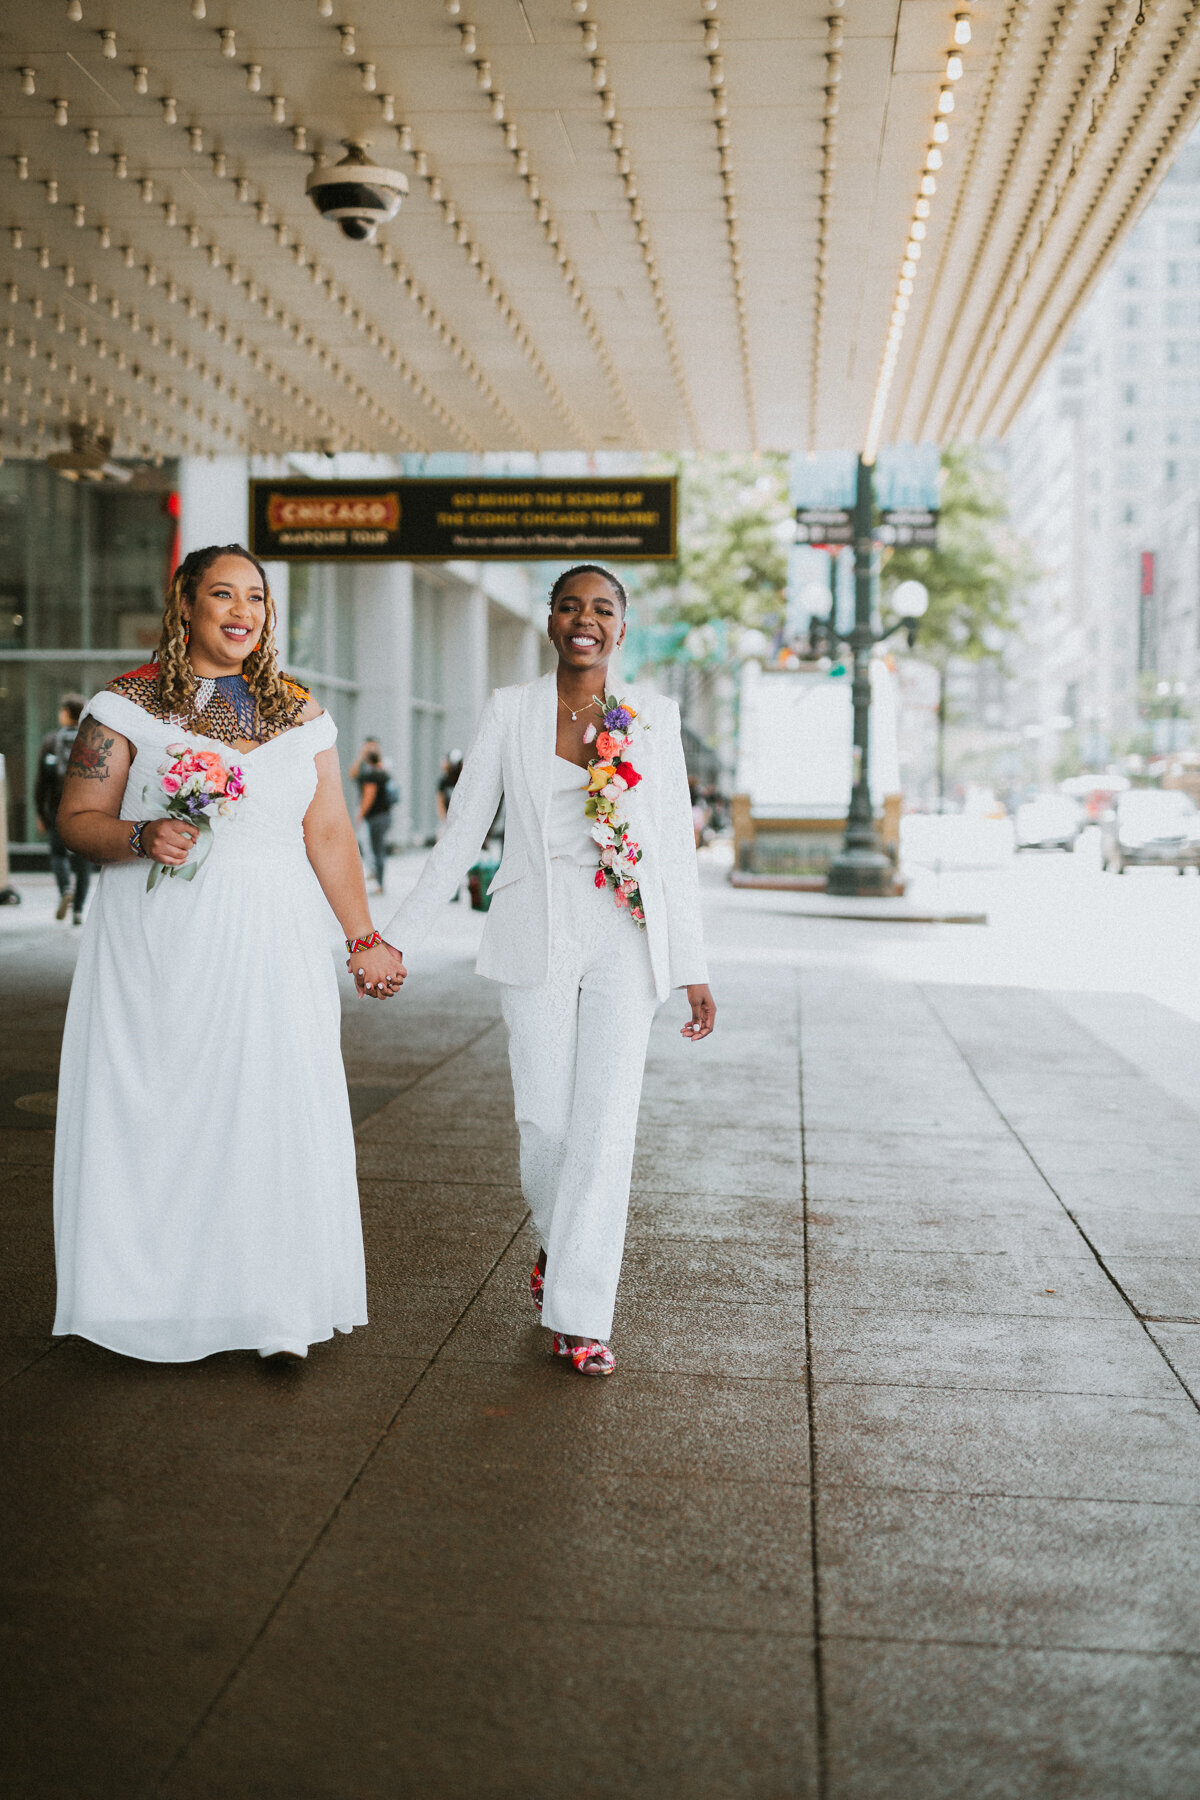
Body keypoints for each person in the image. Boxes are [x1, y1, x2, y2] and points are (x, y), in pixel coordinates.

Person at [53, 543, 406, 1365]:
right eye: (223, 594)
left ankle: (273, 1307)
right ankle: (143, 1302)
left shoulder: (297, 710)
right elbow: (77, 819)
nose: (243, 611)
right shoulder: (127, 703)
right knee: (166, 1114)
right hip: (160, 946)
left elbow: (327, 831)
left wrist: (364, 936)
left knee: (270, 1106)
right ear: (185, 604)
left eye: (256, 596)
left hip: (276, 939)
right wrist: (142, 834)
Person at [372, 563, 716, 1378]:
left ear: (621, 629)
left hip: (624, 936)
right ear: (551, 621)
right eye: (570, 606)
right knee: (546, 1125)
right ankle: (558, 1243)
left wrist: (693, 963)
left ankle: (580, 1311)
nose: (585, 620)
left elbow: (673, 850)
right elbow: (461, 839)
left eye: (602, 609)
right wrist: (395, 939)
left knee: (606, 1125)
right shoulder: (511, 710)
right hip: (534, 930)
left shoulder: (654, 718)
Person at [34, 692, 92, 923]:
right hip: (86, 809)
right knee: (83, 861)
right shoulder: (91, 739)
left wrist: (40, 811)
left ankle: (65, 889)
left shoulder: (51, 740)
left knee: (58, 854)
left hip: (58, 808)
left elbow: (41, 782)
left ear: (67, 713)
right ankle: (78, 910)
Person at [353, 742, 394, 894]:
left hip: (375, 817)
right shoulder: (383, 772)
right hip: (385, 815)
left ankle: (379, 884)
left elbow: (368, 797)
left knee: (375, 850)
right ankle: (380, 882)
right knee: (379, 849)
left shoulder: (371, 775)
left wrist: (360, 814)